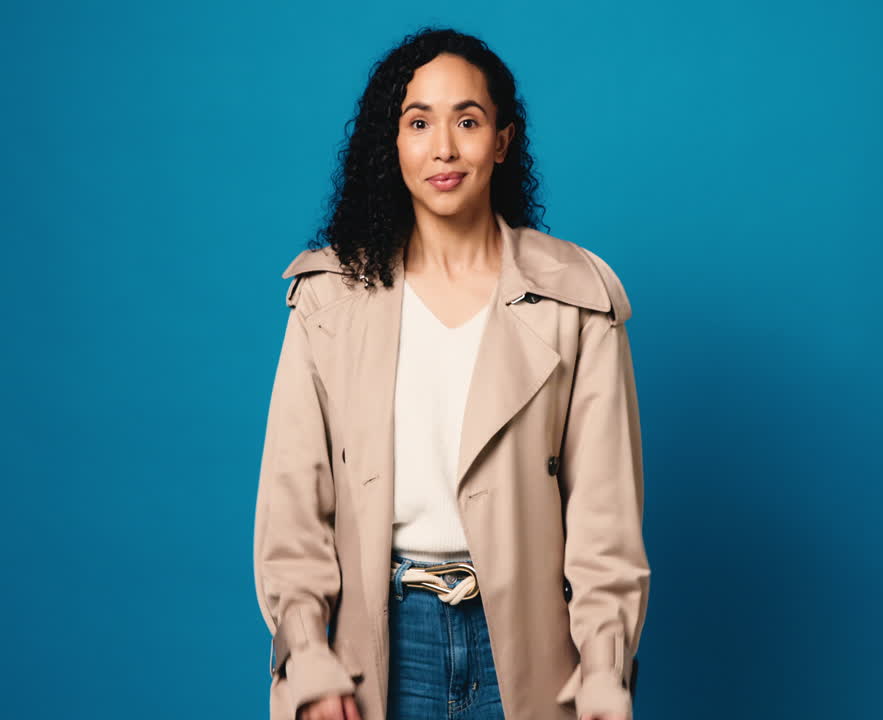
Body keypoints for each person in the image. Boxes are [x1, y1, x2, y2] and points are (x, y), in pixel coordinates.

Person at [253, 26, 650, 720]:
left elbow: (605, 520)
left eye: (467, 120)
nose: (444, 148)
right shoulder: (328, 298)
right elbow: (292, 508)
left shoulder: (576, 296)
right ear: (393, 143)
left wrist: (605, 666)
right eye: (418, 122)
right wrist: (308, 656)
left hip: (530, 648)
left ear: (502, 140)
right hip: (378, 644)